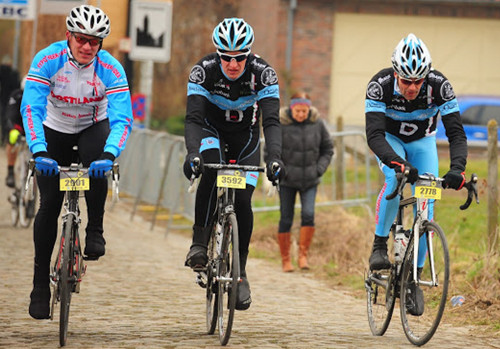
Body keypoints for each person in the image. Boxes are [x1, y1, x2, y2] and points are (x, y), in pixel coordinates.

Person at [21, 5, 133, 320]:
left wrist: (111, 154)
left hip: (92, 127)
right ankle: (40, 284)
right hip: (53, 131)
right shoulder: (47, 60)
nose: (86, 47)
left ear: (101, 44)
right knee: (49, 205)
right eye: (81, 39)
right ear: (69, 36)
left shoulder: (111, 69)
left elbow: (122, 118)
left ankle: (95, 227)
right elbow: (32, 108)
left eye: (94, 42)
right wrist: (39, 150)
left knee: (98, 159)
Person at [183, 18, 284, 311]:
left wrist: (275, 157)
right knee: (211, 171)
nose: (233, 64)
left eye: (240, 57)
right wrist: (193, 154)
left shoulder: (263, 74)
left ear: (248, 54)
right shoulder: (204, 71)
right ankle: (200, 241)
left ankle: (240, 272)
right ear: (218, 54)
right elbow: (193, 119)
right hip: (211, 131)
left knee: (242, 199)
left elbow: (273, 122)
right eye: (226, 57)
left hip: (246, 136)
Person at [365, 33, 467, 314]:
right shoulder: (379, 85)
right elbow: (373, 135)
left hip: (423, 142)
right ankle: (379, 244)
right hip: (389, 139)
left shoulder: (440, 86)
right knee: (392, 180)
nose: (411, 87)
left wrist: (457, 168)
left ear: (427, 76)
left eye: (417, 81)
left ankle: (413, 280)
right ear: (395, 73)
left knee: (427, 201)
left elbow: (457, 133)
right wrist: (396, 162)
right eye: (406, 80)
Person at [276, 92, 333, 272]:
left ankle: (303, 256)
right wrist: (279, 172)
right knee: (286, 218)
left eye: (304, 110)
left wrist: (319, 169)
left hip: (310, 179)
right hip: (287, 180)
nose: (301, 114)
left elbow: (328, 149)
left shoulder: (318, 124)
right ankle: (286, 259)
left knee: (308, 215)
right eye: (298, 110)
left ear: (309, 109)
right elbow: (272, 152)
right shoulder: (281, 125)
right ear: (291, 109)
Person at [5, 76, 26, 188]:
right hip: (18, 125)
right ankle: (10, 171)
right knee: (12, 138)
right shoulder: (17, 95)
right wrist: (15, 129)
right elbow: (11, 113)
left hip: (34, 127)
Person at [0, 55, 20, 145]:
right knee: (7, 119)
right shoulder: (14, 73)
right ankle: (5, 137)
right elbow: (17, 86)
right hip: (11, 99)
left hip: (2, 99)